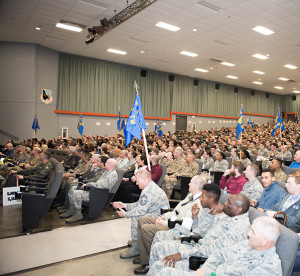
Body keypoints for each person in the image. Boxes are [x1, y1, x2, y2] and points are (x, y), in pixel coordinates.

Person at [148, 194, 251, 275]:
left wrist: (182, 254)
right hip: (198, 247)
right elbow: (203, 232)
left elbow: (212, 249)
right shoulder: (227, 216)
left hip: (204, 261)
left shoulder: (240, 229)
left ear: (238, 209)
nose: (225, 203)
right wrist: (211, 214)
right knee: (159, 248)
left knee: (159, 266)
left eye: (229, 202)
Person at [157, 217, 281, 276]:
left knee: (165, 273)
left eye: (252, 232)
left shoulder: (269, 267)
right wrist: (206, 270)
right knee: (163, 270)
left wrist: (207, 274)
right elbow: (219, 254)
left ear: (265, 241)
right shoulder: (247, 244)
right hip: (210, 272)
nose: (248, 234)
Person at [134, 176, 206, 274]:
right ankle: (144, 254)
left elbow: (185, 221)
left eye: (191, 182)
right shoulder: (190, 196)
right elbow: (176, 210)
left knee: (146, 229)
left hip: (176, 226)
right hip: (170, 220)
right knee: (142, 220)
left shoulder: (199, 203)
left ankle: (147, 262)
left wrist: (164, 222)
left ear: (196, 185)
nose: (188, 184)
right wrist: (164, 217)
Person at [112, 170, 169, 259]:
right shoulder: (148, 187)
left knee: (137, 217)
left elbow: (140, 211)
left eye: (138, 180)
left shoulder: (148, 191)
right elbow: (139, 204)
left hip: (159, 216)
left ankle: (136, 247)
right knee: (138, 215)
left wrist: (125, 214)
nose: (136, 183)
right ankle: (137, 240)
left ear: (144, 179)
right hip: (153, 213)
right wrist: (124, 205)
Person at [60, 158, 118, 223]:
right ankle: (71, 210)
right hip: (94, 189)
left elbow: (102, 185)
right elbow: (98, 183)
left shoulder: (112, 175)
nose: (105, 164)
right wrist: (88, 184)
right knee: (73, 188)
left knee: (77, 193)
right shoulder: (108, 172)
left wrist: (89, 184)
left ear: (109, 165)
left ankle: (78, 214)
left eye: (106, 163)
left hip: (97, 194)